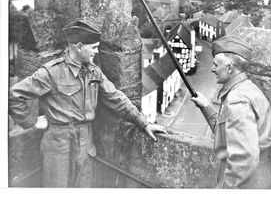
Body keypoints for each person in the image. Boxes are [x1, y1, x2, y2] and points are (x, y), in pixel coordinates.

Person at [9, 19, 167, 188]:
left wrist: (143, 124)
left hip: (85, 141)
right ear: (78, 47)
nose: (97, 51)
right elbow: (13, 95)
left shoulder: (94, 72)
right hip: (58, 144)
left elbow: (116, 98)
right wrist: (31, 122)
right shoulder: (51, 72)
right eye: (93, 47)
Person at [191, 35, 271, 189]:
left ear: (229, 67)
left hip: (246, 184)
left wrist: (224, 190)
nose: (212, 69)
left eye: (216, 65)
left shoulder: (237, 101)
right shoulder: (245, 89)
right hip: (254, 178)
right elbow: (227, 131)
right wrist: (206, 106)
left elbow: (243, 161)